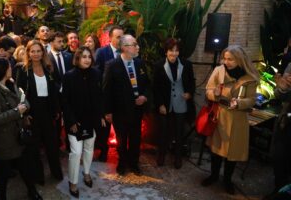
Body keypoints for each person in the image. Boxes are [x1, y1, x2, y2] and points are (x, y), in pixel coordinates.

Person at [201, 45, 259, 195]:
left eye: (230, 59)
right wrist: (214, 93)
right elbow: (208, 91)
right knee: (216, 150)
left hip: (238, 119)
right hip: (220, 116)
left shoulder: (250, 77)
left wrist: (239, 103)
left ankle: (227, 180)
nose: (226, 62)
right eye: (224, 58)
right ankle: (213, 176)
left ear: (240, 60)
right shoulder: (218, 71)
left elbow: (252, 99)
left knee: (233, 153)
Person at [0, 57, 42, 200]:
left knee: (25, 168)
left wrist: (23, 108)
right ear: (2, 70)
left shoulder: (10, 83)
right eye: (9, 66)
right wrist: (17, 111)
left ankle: (32, 192)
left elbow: (24, 100)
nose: (11, 68)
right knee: (2, 176)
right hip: (3, 142)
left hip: (17, 137)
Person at [15, 40, 63, 185]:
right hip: (32, 112)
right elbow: (19, 93)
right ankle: (38, 176)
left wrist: (56, 110)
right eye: (33, 51)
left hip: (48, 112)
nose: (36, 54)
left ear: (43, 52)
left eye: (38, 51)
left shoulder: (48, 68)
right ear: (28, 53)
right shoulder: (22, 70)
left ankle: (56, 172)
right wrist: (24, 114)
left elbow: (54, 92)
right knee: (34, 148)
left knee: (52, 145)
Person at [103, 34, 149, 176]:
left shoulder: (140, 63)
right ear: (124, 47)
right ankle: (122, 163)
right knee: (122, 140)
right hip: (120, 111)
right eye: (134, 44)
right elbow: (106, 90)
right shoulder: (112, 65)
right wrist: (107, 111)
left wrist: (144, 96)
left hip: (137, 110)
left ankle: (134, 164)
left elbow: (147, 84)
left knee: (136, 138)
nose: (137, 47)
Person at [62, 46, 103, 198]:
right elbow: (65, 101)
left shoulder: (96, 73)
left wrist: (100, 116)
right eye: (83, 57)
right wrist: (71, 121)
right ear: (77, 59)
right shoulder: (69, 76)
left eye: (89, 57)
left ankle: (86, 173)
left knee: (88, 149)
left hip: (91, 120)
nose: (87, 59)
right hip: (75, 121)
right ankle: (72, 182)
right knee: (76, 152)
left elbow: (99, 97)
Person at [153, 38, 195, 169]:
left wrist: (189, 93)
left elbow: (192, 82)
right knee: (163, 132)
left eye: (177, 51)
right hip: (165, 104)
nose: (174, 53)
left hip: (181, 103)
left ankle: (178, 158)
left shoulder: (186, 64)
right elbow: (155, 87)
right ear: (166, 51)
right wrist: (160, 104)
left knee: (179, 133)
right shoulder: (159, 65)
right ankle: (161, 156)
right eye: (171, 50)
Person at [95, 25, 124, 162]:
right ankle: (103, 152)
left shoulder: (125, 52)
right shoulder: (102, 52)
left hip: (120, 99)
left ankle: (122, 153)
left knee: (121, 128)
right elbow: (97, 73)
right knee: (104, 129)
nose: (121, 39)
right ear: (111, 38)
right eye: (118, 37)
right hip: (105, 96)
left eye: (122, 37)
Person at [270, 63, 291, 194]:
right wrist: (282, 88)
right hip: (286, 121)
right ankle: (278, 192)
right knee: (279, 159)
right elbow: (279, 94)